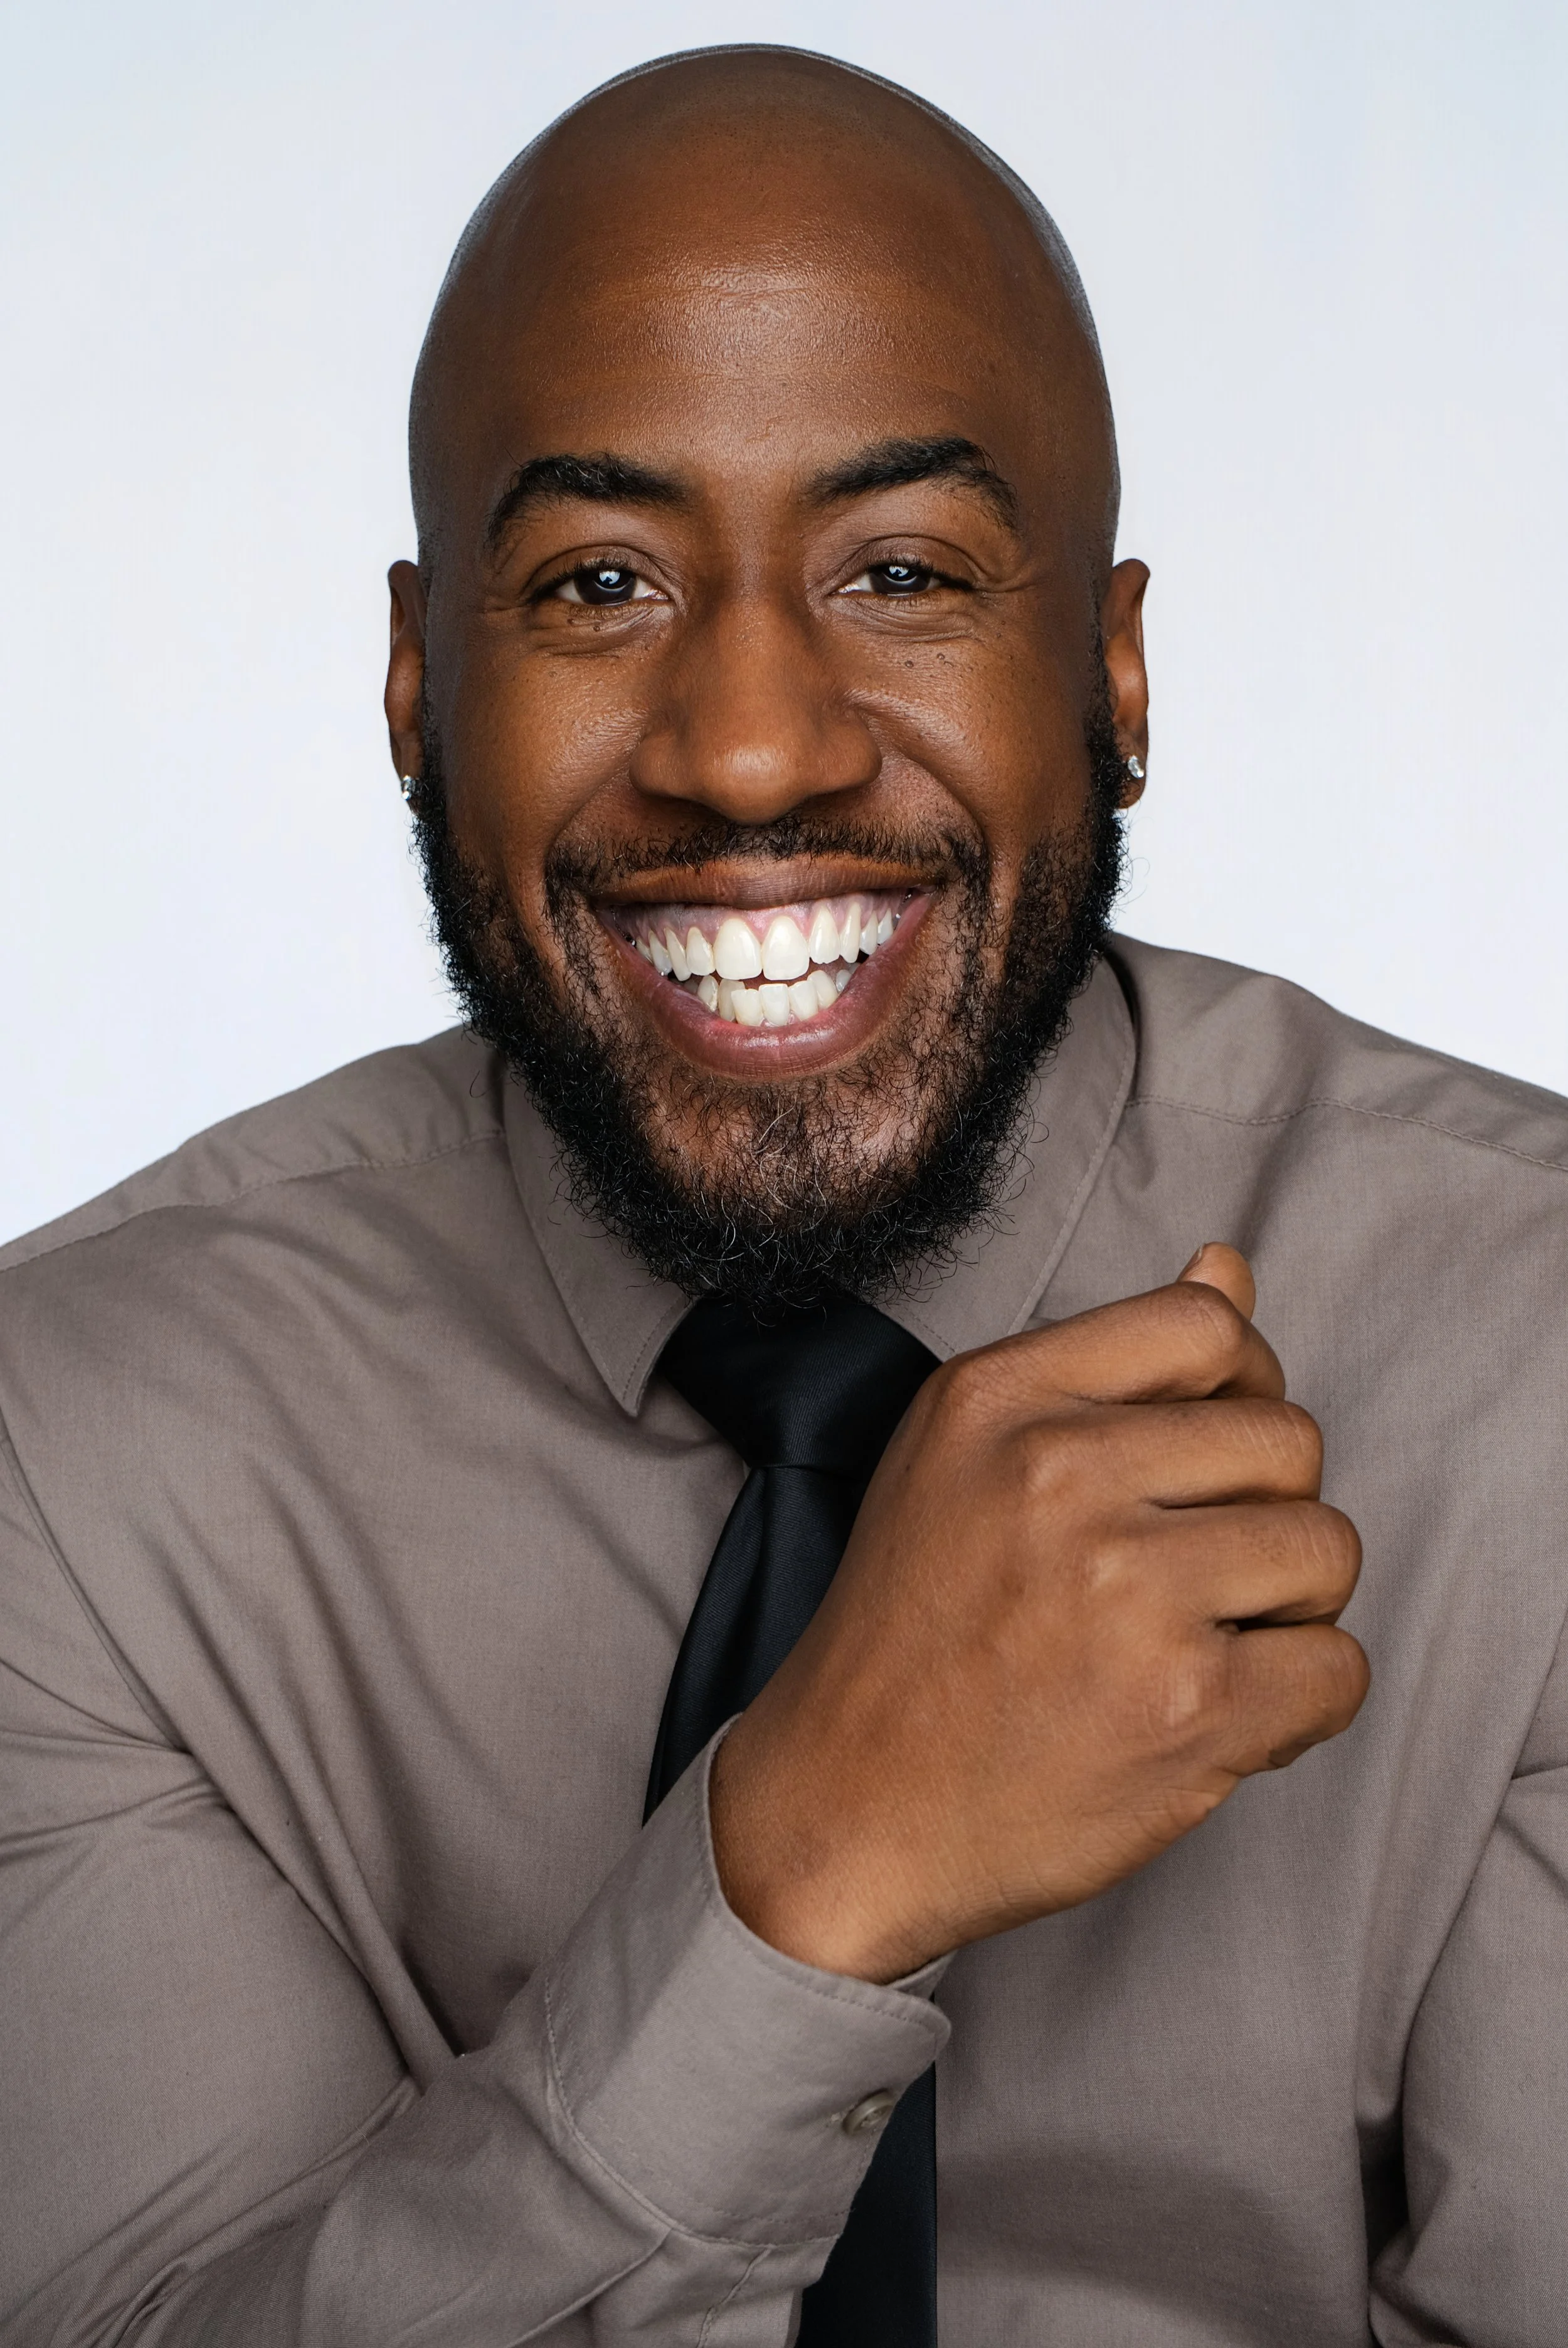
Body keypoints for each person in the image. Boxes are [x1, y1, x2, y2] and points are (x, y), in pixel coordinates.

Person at [2, 43, 1565, 2348]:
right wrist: (801, 1873)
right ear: (418, 688)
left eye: (904, 570)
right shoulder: (77, 1461)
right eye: (602, 580)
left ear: (1111, 669)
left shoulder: (1532, 1364)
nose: (751, 747)